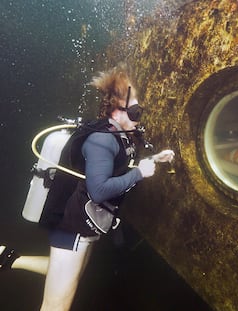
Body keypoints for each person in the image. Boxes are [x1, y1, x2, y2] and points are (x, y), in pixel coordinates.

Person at [0, 64, 174, 311]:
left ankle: (8, 258)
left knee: (67, 274)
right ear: (117, 110)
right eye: (135, 111)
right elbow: (99, 190)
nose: (139, 117)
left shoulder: (119, 135)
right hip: (73, 229)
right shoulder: (102, 140)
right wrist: (139, 173)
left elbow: (119, 169)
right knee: (56, 305)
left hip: (87, 226)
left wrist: (154, 160)